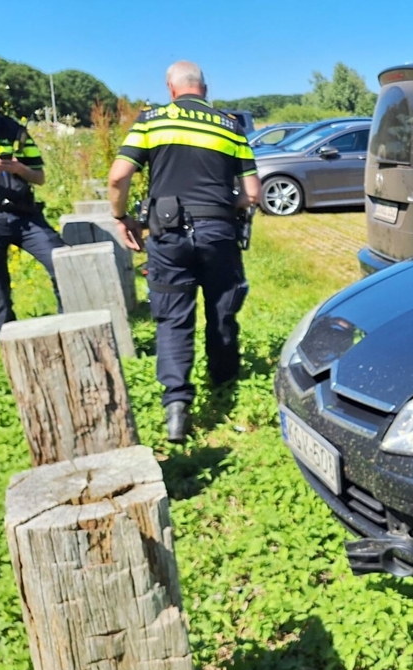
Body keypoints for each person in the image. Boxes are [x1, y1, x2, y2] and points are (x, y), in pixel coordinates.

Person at [108, 61, 260, 443]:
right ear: (204, 89)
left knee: (173, 319)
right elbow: (253, 193)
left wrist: (121, 216)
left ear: (171, 89)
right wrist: (228, 204)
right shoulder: (230, 125)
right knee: (222, 310)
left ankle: (176, 407)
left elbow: (118, 175)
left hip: (168, 233)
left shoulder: (151, 120)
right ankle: (224, 383)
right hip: (218, 233)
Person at [0, 77, 66, 339]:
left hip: (24, 215)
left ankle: (70, 322)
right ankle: (6, 339)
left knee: (62, 261)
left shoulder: (15, 131)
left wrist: (21, 169)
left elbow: (40, 177)